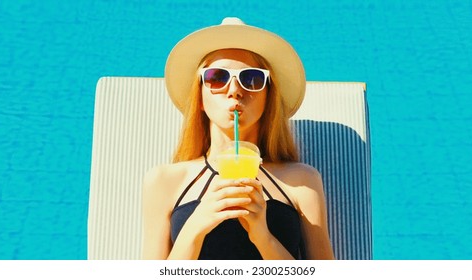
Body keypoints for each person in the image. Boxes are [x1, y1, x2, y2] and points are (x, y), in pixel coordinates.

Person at [141, 17, 334, 260]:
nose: (234, 90)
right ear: (199, 97)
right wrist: (195, 227)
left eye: (252, 79)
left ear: (268, 97)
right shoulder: (164, 181)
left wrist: (263, 237)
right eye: (217, 77)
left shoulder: (301, 181)